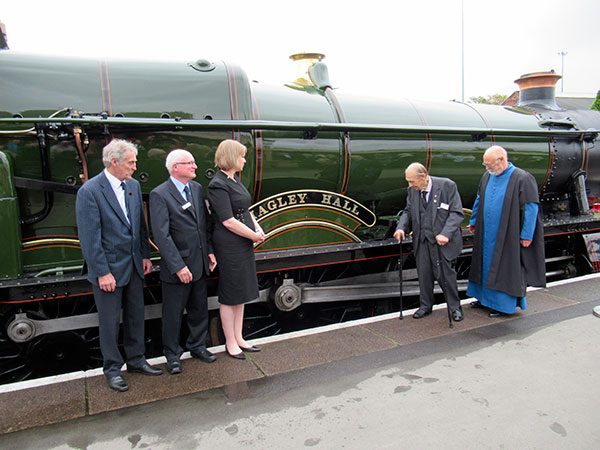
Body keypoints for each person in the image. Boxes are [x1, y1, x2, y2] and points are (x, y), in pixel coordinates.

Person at [76, 139, 163, 392]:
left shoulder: (133, 186)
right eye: (131, 162)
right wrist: (102, 272)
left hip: (135, 265)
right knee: (110, 322)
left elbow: (140, 226)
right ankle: (113, 369)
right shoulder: (90, 191)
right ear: (114, 162)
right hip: (109, 270)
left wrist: (145, 256)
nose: (135, 167)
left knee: (136, 317)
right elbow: (90, 238)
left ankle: (136, 361)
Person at [149, 149, 218, 375]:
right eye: (189, 163)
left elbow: (204, 225)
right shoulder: (160, 194)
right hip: (178, 268)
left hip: (199, 263)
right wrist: (178, 266)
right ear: (175, 167)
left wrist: (209, 251)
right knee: (173, 314)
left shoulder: (196, 189)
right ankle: (172, 355)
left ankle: (197, 346)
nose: (195, 167)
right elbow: (162, 235)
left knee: (199, 310)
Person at [467, 145, 545, 316]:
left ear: (501, 160)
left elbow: (531, 208)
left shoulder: (523, 178)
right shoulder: (488, 176)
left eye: (489, 164)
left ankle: (501, 306)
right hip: (486, 231)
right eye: (485, 165)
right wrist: (473, 220)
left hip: (507, 233)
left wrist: (526, 235)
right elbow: (479, 198)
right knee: (484, 265)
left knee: (504, 268)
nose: (486, 168)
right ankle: (483, 299)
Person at [207, 139, 265, 359]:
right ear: (231, 157)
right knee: (230, 294)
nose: (244, 159)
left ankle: (239, 337)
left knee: (240, 293)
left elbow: (245, 209)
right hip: (230, 244)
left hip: (243, 242)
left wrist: (257, 228)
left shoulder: (234, 180)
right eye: (242, 156)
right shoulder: (217, 184)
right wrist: (253, 235)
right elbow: (228, 220)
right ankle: (230, 342)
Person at [394, 162, 464, 321]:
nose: (410, 185)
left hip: (441, 242)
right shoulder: (412, 190)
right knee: (424, 274)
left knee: (446, 276)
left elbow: (456, 213)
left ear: (423, 177)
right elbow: (408, 211)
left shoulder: (447, 186)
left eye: (412, 181)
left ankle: (455, 308)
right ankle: (425, 306)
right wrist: (401, 228)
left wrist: (446, 233)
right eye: (408, 181)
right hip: (422, 239)